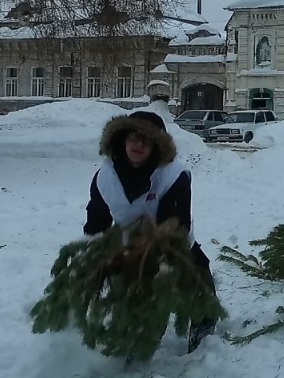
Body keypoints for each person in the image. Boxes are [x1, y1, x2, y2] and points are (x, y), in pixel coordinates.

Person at [84, 109, 217, 354]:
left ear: (157, 146)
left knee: (195, 271)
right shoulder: (105, 178)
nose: (139, 145)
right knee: (130, 286)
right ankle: (135, 329)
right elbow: (97, 218)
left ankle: (203, 319)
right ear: (123, 138)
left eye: (147, 140)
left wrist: (160, 256)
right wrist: (96, 252)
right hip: (127, 239)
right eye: (134, 137)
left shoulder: (173, 176)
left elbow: (177, 223)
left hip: (172, 239)